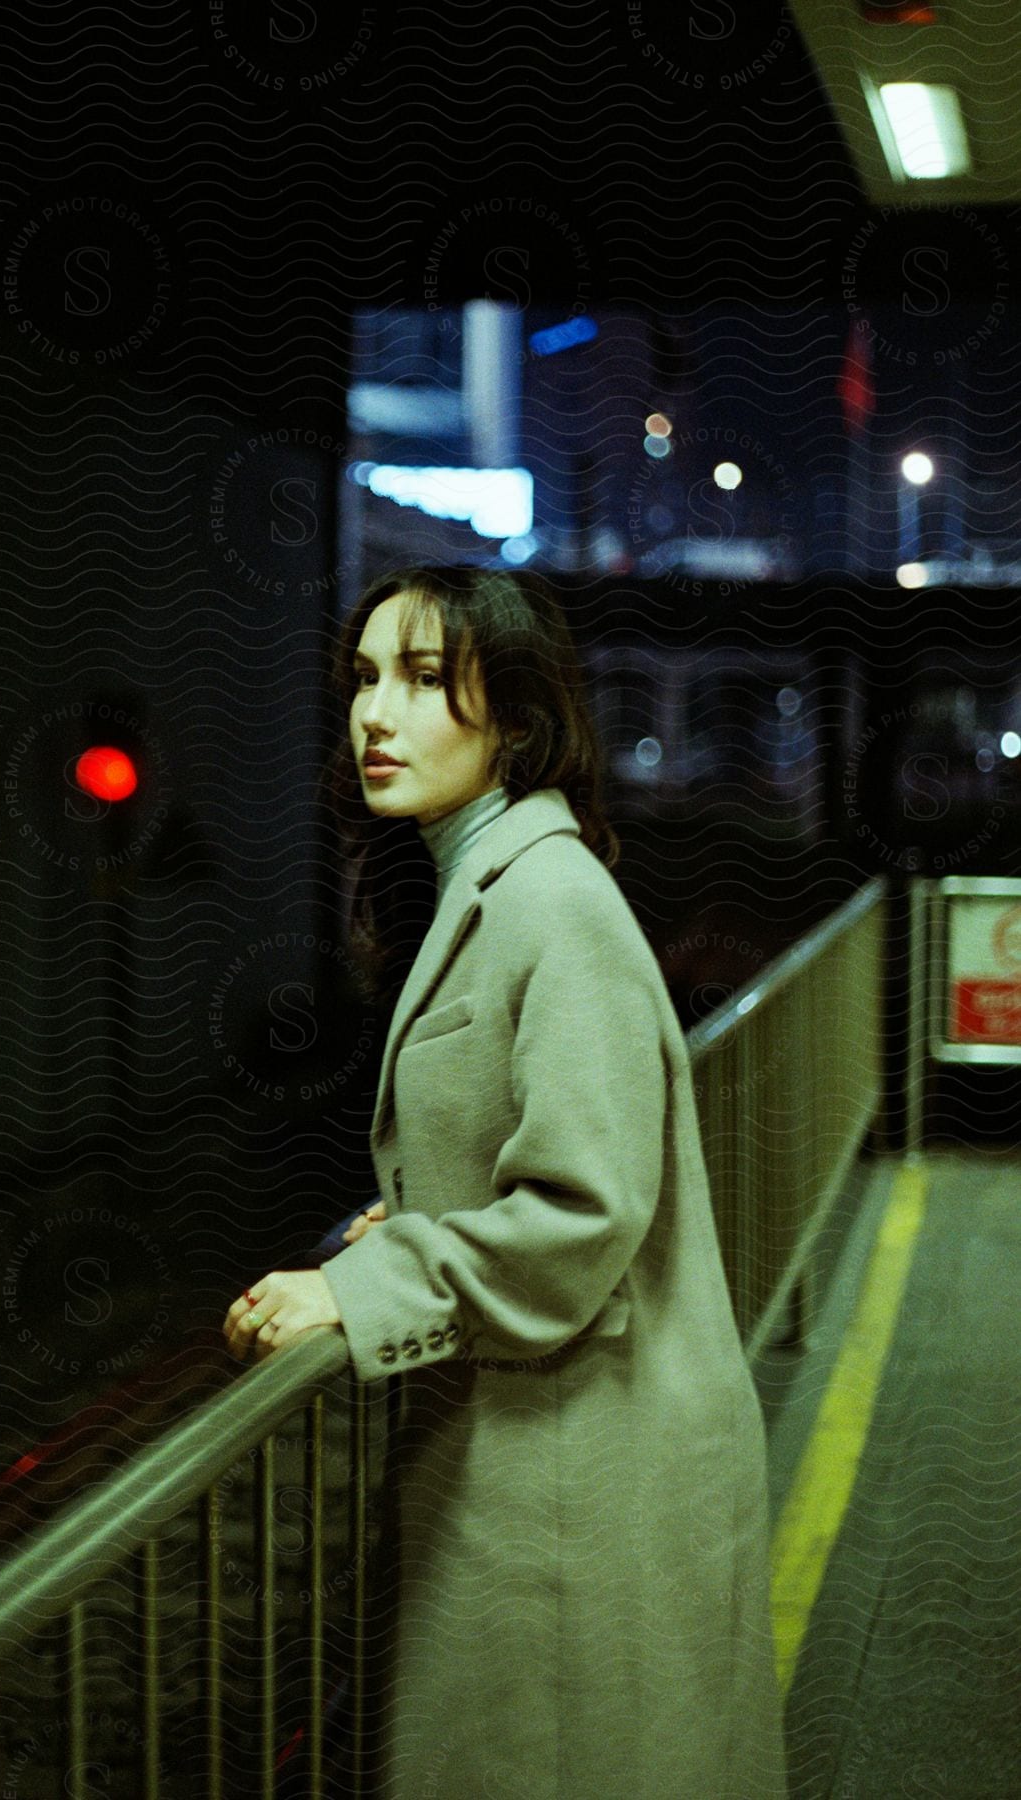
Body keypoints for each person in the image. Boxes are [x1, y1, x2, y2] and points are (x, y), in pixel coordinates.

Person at [222, 565, 789, 1799]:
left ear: (517, 723)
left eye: (425, 682)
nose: (376, 714)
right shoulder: (500, 882)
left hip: (578, 1485)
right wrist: (422, 1209)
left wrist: (365, 1291)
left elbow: (581, 1209)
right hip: (554, 1456)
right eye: (365, 678)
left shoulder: (549, 903)